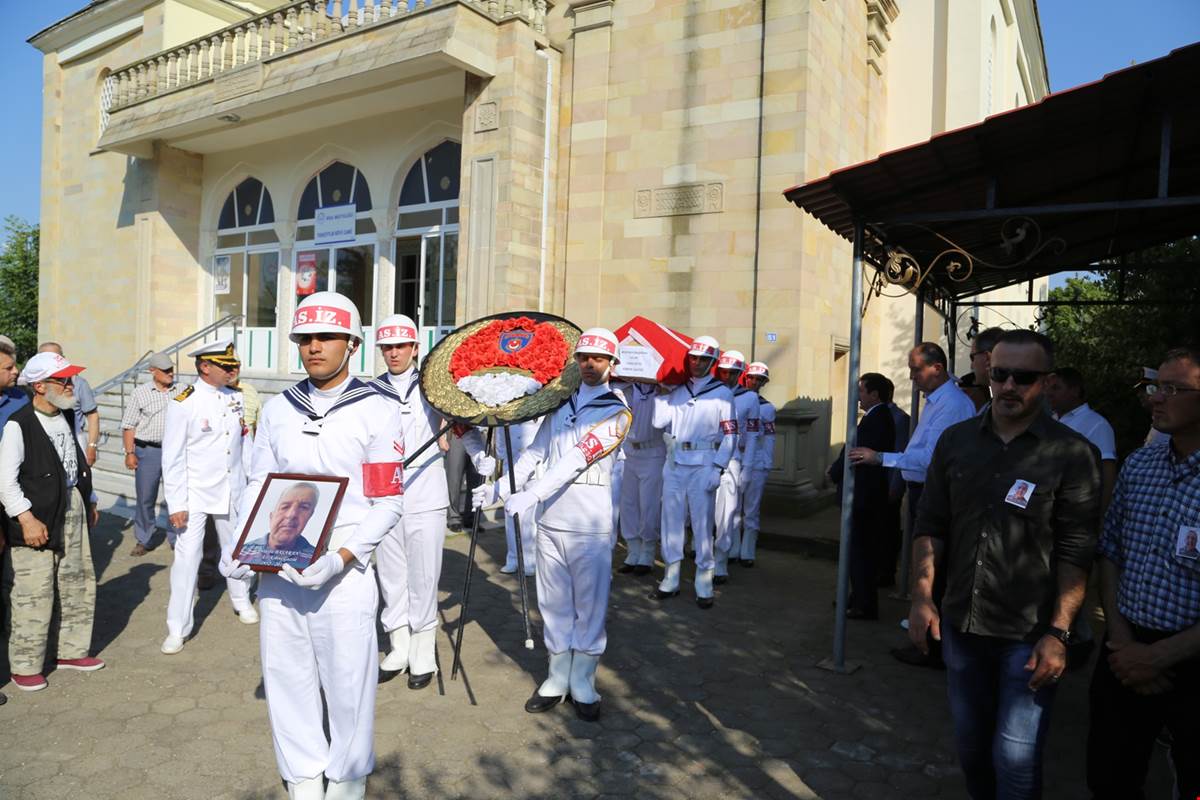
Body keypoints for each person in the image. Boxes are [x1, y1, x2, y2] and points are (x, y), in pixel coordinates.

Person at [220, 291, 404, 800]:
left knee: (348, 677)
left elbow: (389, 502)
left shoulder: (379, 409)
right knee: (286, 671)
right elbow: (258, 485)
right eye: (304, 338)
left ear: (352, 343)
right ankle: (303, 772)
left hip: (342, 563)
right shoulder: (279, 408)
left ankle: (347, 777)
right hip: (279, 562)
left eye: (326, 337)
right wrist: (240, 545)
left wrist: (342, 558)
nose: (313, 347)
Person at [908, 330, 1101, 799]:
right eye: (1000, 374)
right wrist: (921, 598)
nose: (1010, 386)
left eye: (1025, 377)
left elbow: (1077, 550)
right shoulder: (956, 441)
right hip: (961, 625)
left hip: (1028, 635)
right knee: (972, 748)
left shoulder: (1073, 453)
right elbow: (930, 523)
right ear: (987, 373)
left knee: (1014, 760)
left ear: (1046, 381)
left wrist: (1059, 633)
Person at [474, 328, 631, 721]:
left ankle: (584, 681)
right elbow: (535, 454)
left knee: (589, 608)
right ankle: (557, 677)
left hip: (589, 523)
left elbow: (577, 457)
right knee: (554, 604)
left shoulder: (618, 410)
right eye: (584, 357)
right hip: (551, 522)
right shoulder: (561, 405)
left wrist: (533, 494)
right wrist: (498, 489)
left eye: (599, 358)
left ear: (612, 364)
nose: (590, 364)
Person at [1086, 347, 1200, 799]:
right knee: (1110, 776)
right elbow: (1110, 551)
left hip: (1191, 662)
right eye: (1156, 386)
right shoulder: (1140, 465)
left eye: (1174, 389)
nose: (1157, 397)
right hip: (1124, 647)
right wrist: (1122, 641)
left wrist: (1160, 657)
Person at [370, 314, 490, 687]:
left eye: (400, 347)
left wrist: (479, 455)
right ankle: (398, 647)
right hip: (383, 491)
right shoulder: (369, 392)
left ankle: (423, 653)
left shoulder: (431, 387)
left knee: (424, 575)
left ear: (415, 349)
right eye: (387, 347)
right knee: (390, 576)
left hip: (425, 490)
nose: (393, 354)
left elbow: (462, 425)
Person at [850, 342, 976, 666]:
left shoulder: (953, 405)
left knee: (934, 569)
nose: (912, 377)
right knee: (927, 569)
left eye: (917, 369)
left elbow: (932, 457)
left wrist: (881, 458)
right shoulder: (938, 402)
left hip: (938, 493)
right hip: (924, 488)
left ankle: (934, 647)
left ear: (937, 368)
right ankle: (928, 640)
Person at [0, 352, 102, 692]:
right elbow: (5, 481)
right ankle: (25, 665)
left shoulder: (66, 414)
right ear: (40, 386)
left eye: (71, 379)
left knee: (77, 581)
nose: (72, 386)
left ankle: (70, 651)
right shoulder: (20, 424)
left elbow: (72, 462)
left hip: (71, 505)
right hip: (35, 514)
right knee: (34, 590)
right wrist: (26, 518)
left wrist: (88, 499)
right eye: (64, 380)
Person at [160, 339, 257, 654]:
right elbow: (172, 457)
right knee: (187, 559)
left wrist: (253, 483)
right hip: (195, 493)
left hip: (232, 489)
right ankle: (178, 626)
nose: (232, 370)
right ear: (205, 367)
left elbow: (245, 444)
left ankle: (241, 601)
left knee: (237, 549)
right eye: (225, 366)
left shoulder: (236, 398)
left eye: (233, 365)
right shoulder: (183, 402)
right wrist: (176, 503)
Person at [652, 335, 737, 608]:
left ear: (712, 362)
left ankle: (704, 578)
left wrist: (718, 467)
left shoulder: (723, 393)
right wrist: (661, 393)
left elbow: (731, 435)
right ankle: (671, 575)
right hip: (675, 461)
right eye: (694, 358)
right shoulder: (677, 390)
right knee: (671, 521)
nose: (697, 363)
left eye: (704, 359)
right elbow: (658, 422)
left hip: (704, 463)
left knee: (701, 523)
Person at [828, 373, 896, 619]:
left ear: (874, 394)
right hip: (864, 494)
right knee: (859, 551)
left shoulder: (878, 418)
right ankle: (858, 598)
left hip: (863, 496)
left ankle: (863, 604)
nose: (859, 396)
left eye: (862, 391)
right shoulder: (876, 417)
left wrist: (835, 472)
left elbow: (854, 451)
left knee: (860, 552)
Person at [121, 352, 183, 556]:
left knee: (177, 496)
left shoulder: (182, 390)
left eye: (171, 370)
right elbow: (129, 425)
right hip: (148, 451)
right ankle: (144, 538)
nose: (170, 374)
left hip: (177, 451)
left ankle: (177, 537)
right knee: (146, 497)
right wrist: (130, 452)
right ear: (152, 371)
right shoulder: (140, 393)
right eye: (165, 371)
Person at [713, 350, 759, 585]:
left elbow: (752, 437)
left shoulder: (749, 399)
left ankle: (721, 561)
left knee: (727, 512)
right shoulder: (710, 393)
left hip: (733, 458)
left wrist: (748, 468)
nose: (728, 376)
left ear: (740, 374)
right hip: (707, 456)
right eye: (724, 372)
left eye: (733, 372)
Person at [615, 378, 667, 576]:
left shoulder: (662, 389)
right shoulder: (625, 387)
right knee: (628, 503)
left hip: (653, 451)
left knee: (649, 503)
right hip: (629, 451)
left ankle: (647, 551)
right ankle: (632, 550)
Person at [1045, 367, 1117, 508]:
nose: (1049, 393)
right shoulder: (1049, 421)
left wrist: (1101, 516)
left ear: (1075, 391)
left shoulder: (1097, 425)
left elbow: (1107, 474)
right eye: (1048, 388)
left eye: (1056, 388)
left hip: (1075, 510)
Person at [38, 342, 100, 467]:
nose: (68, 387)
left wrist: (92, 446)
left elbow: (92, 415)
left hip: (74, 442)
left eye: (55, 357)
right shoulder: (34, 384)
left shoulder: (79, 383)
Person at [739, 361, 774, 566]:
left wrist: (767, 462)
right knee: (731, 509)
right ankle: (732, 548)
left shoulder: (767, 407)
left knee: (751, 509)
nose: (754, 382)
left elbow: (769, 437)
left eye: (759, 379)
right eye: (751, 377)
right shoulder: (735, 400)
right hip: (737, 455)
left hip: (757, 459)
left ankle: (748, 551)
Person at [237, 482, 320, 569]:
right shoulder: (243, 551)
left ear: (310, 516)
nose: (291, 515)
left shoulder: (316, 560)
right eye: (285, 507)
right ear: (271, 516)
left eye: (304, 507)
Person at [496, 418, 539, 576]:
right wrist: (501, 455)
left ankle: (529, 559)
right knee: (510, 511)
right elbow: (501, 428)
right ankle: (513, 558)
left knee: (530, 514)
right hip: (512, 460)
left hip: (534, 463)